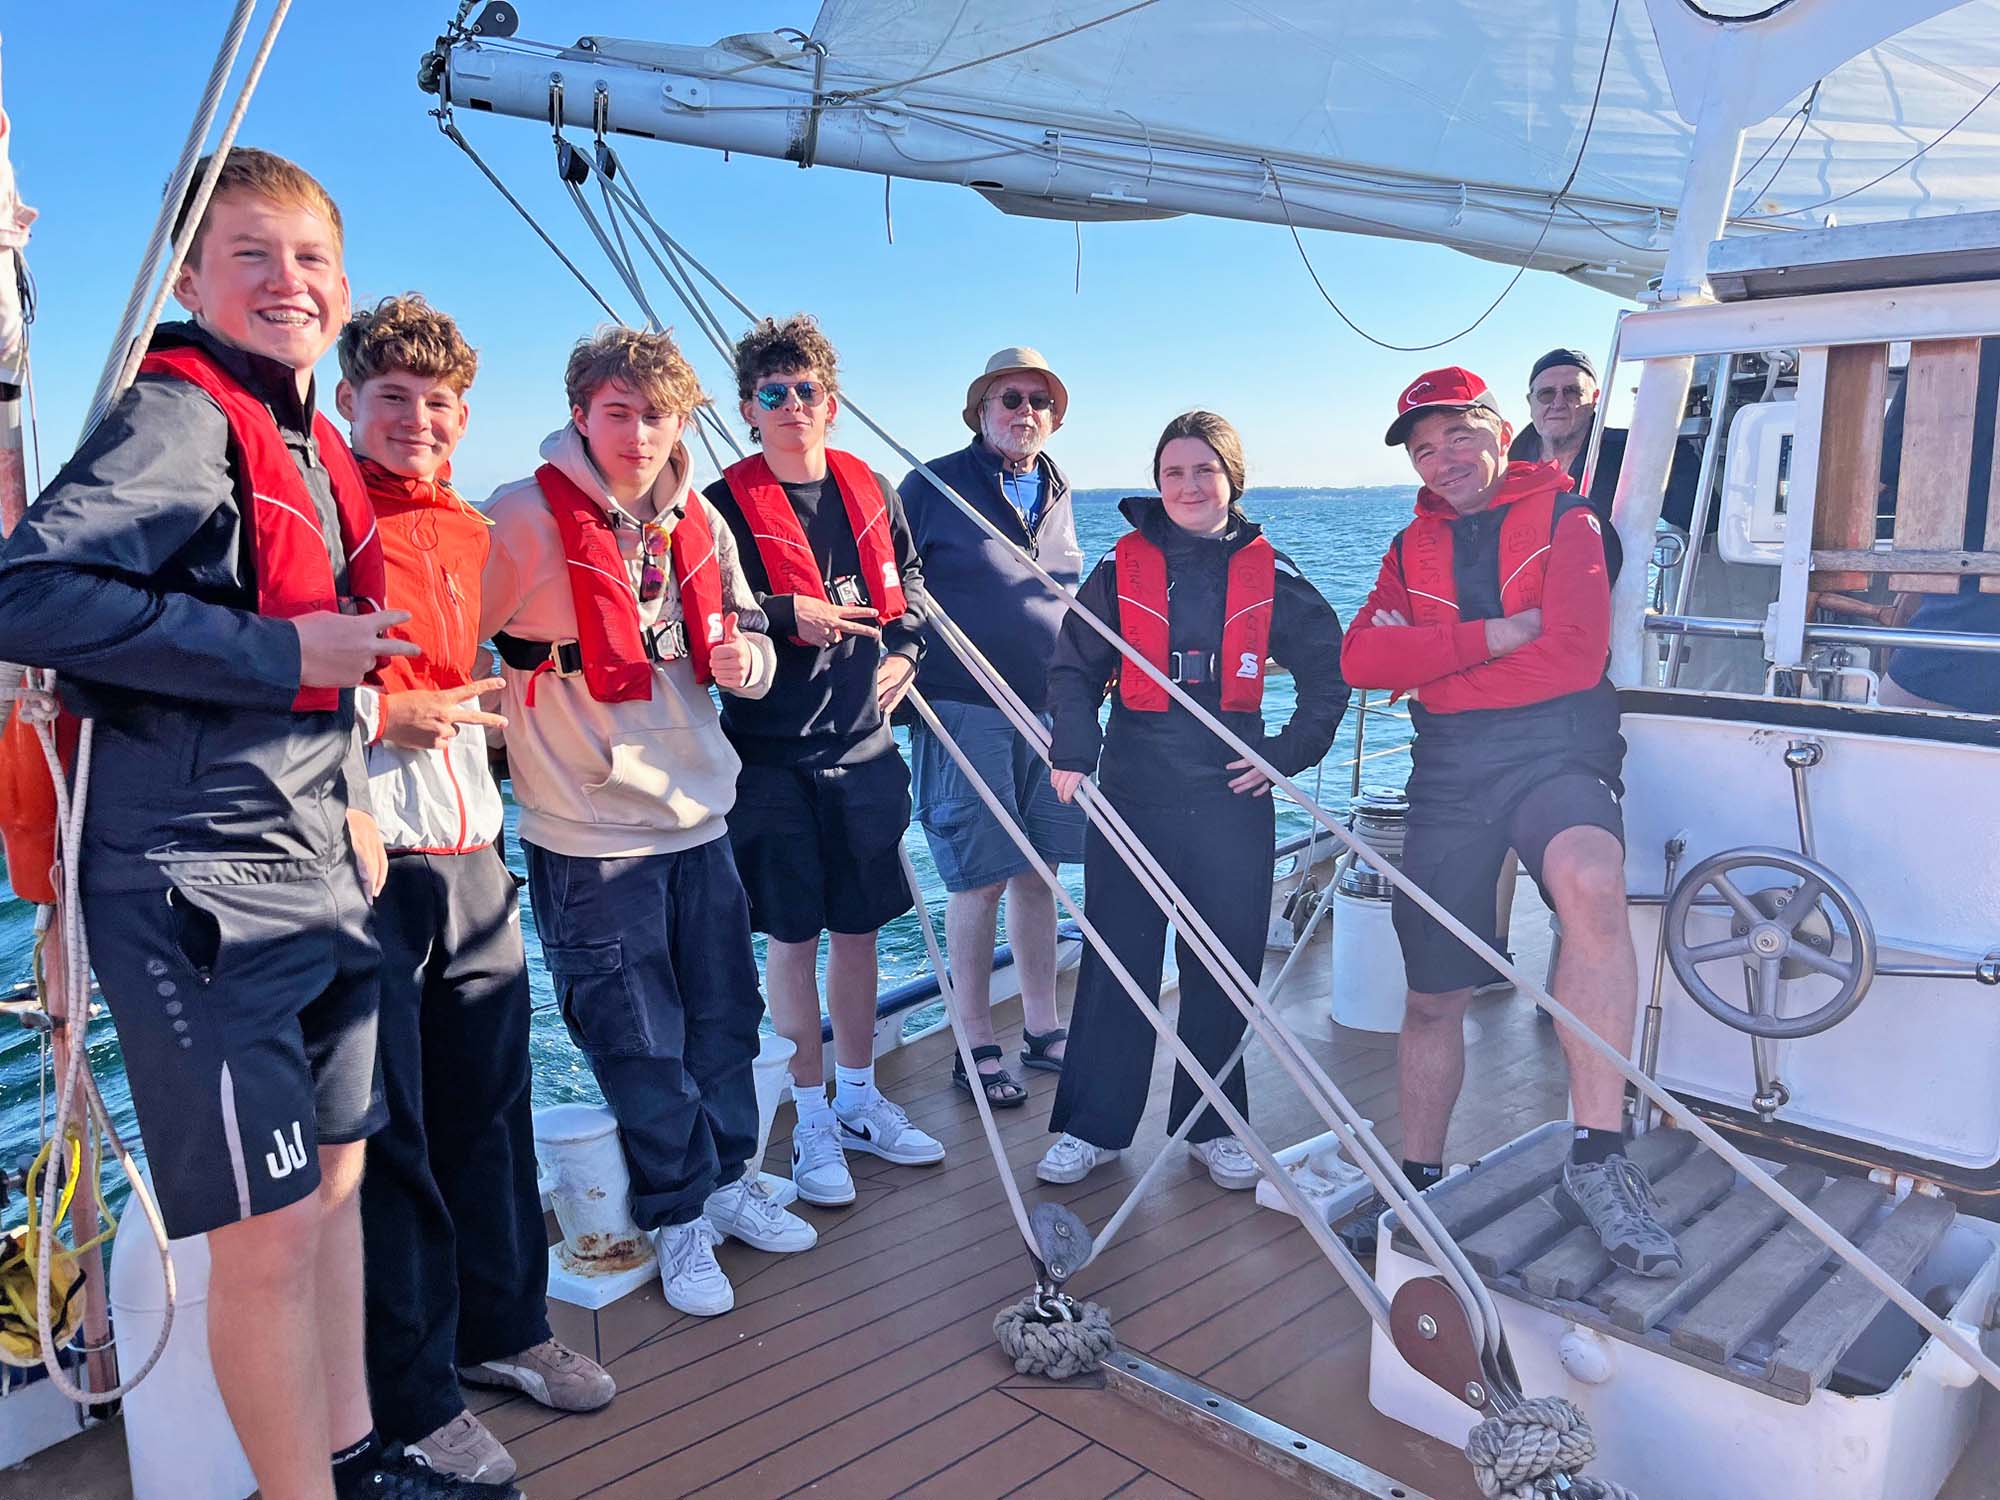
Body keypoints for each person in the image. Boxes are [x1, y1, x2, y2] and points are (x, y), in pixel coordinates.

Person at [0, 149, 512, 1498]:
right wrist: (283, 657)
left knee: (336, 1200)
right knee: (272, 1237)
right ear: (188, 278)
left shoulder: (307, 444)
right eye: (252, 254)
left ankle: (354, 1457)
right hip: (200, 890)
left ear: (341, 283)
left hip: (317, 868)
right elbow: (27, 593)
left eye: (310, 258)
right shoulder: (179, 418)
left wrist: (346, 794)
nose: (289, 281)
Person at [479, 326, 815, 1319]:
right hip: (589, 837)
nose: (636, 433)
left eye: (655, 415)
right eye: (616, 412)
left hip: (700, 821)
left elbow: (747, 643)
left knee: (725, 1022)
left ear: (682, 424)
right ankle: (677, 1218)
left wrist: (748, 664)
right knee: (637, 1041)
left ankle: (727, 1182)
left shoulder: (701, 521)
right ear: (581, 415)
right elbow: (452, 645)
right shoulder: (518, 518)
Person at [335, 295, 614, 1483]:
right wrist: (375, 713)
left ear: (463, 414)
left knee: (492, 1107)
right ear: (347, 402)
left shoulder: (463, 525)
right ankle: (414, 1397)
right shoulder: (323, 515)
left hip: (471, 847)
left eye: (437, 401)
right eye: (391, 396)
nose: (416, 418)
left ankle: (504, 1327)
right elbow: (263, 670)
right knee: (391, 1137)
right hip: (365, 859)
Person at [1337, 367, 1680, 1277]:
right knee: (1431, 993)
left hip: (1557, 752)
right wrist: (1491, 637)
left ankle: (1597, 1160)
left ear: (1498, 430)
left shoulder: (1571, 521)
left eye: (1457, 437)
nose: (1442, 459)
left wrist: (1433, 671)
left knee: (1591, 883)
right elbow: (1360, 658)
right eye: (1423, 449)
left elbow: (1572, 658)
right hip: (1450, 772)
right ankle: (1417, 1179)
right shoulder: (1408, 547)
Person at [1037, 412, 1348, 1188]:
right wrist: (1073, 747)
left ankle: (1215, 1125)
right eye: (1172, 472)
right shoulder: (1120, 570)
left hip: (1228, 795)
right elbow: (1073, 668)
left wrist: (1286, 755)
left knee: (1223, 965)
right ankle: (1092, 1127)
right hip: (1134, 785)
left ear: (1231, 479)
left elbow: (1329, 672)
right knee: (1118, 959)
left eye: (1204, 470)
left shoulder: (1273, 575)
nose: (1188, 486)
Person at [702, 315, 943, 1209]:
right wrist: (781, 612)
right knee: (792, 940)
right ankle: (809, 1121)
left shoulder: (871, 490)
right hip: (770, 762)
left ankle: (859, 1098)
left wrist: (906, 655)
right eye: (773, 393)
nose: (792, 405)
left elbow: (912, 588)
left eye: (806, 390)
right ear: (747, 409)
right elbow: (704, 612)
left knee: (861, 930)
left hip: (866, 751)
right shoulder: (720, 507)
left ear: (830, 403)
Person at [898, 348, 1087, 1107]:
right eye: (1010, 398)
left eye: (1039, 401)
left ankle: (1042, 1028)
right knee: (978, 880)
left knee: (1041, 872)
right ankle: (973, 1040)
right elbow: (895, 586)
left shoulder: (1057, 488)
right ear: (980, 411)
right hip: (963, 705)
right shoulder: (933, 485)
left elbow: (1063, 595)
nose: (1024, 412)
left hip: (1050, 708)